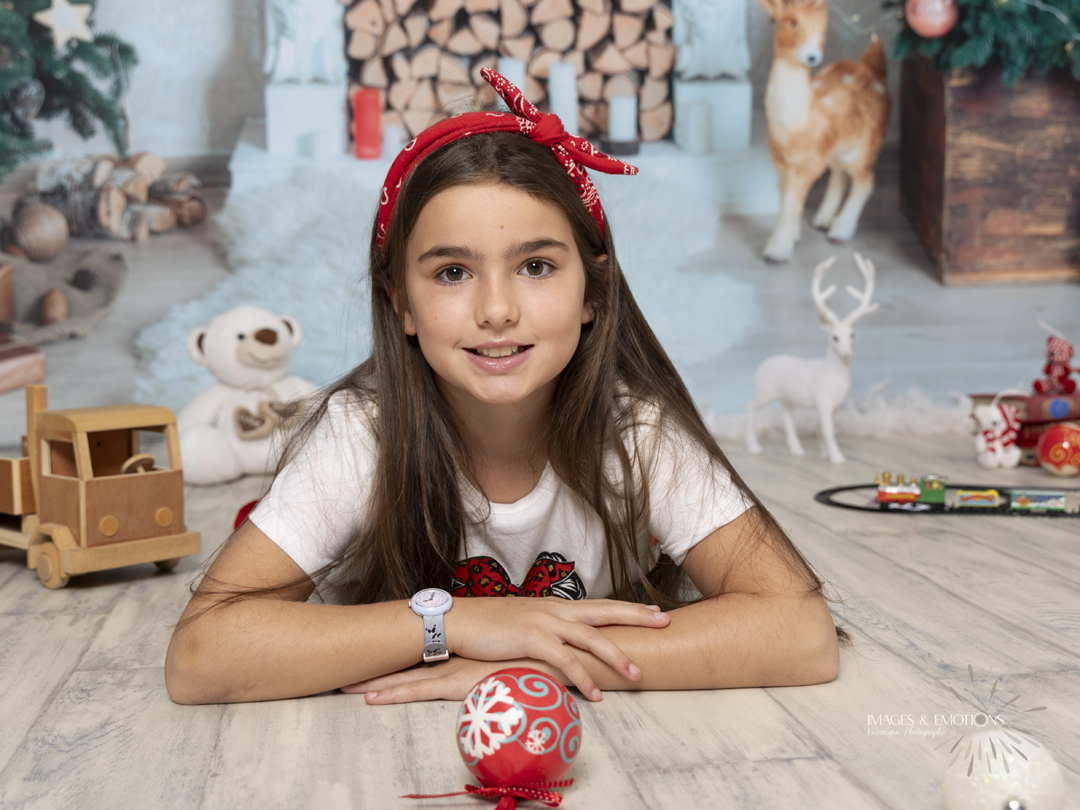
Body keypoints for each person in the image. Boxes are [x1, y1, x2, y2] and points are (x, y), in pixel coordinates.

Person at [165, 70, 840, 706]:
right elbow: (200, 656)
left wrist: (536, 656)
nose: (496, 310)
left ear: (591, 295)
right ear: (400, 303)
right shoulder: (359, 435)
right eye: (453, 273)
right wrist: (452, 625)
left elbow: (800, 632)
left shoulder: (637, 435)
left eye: (536, 266)